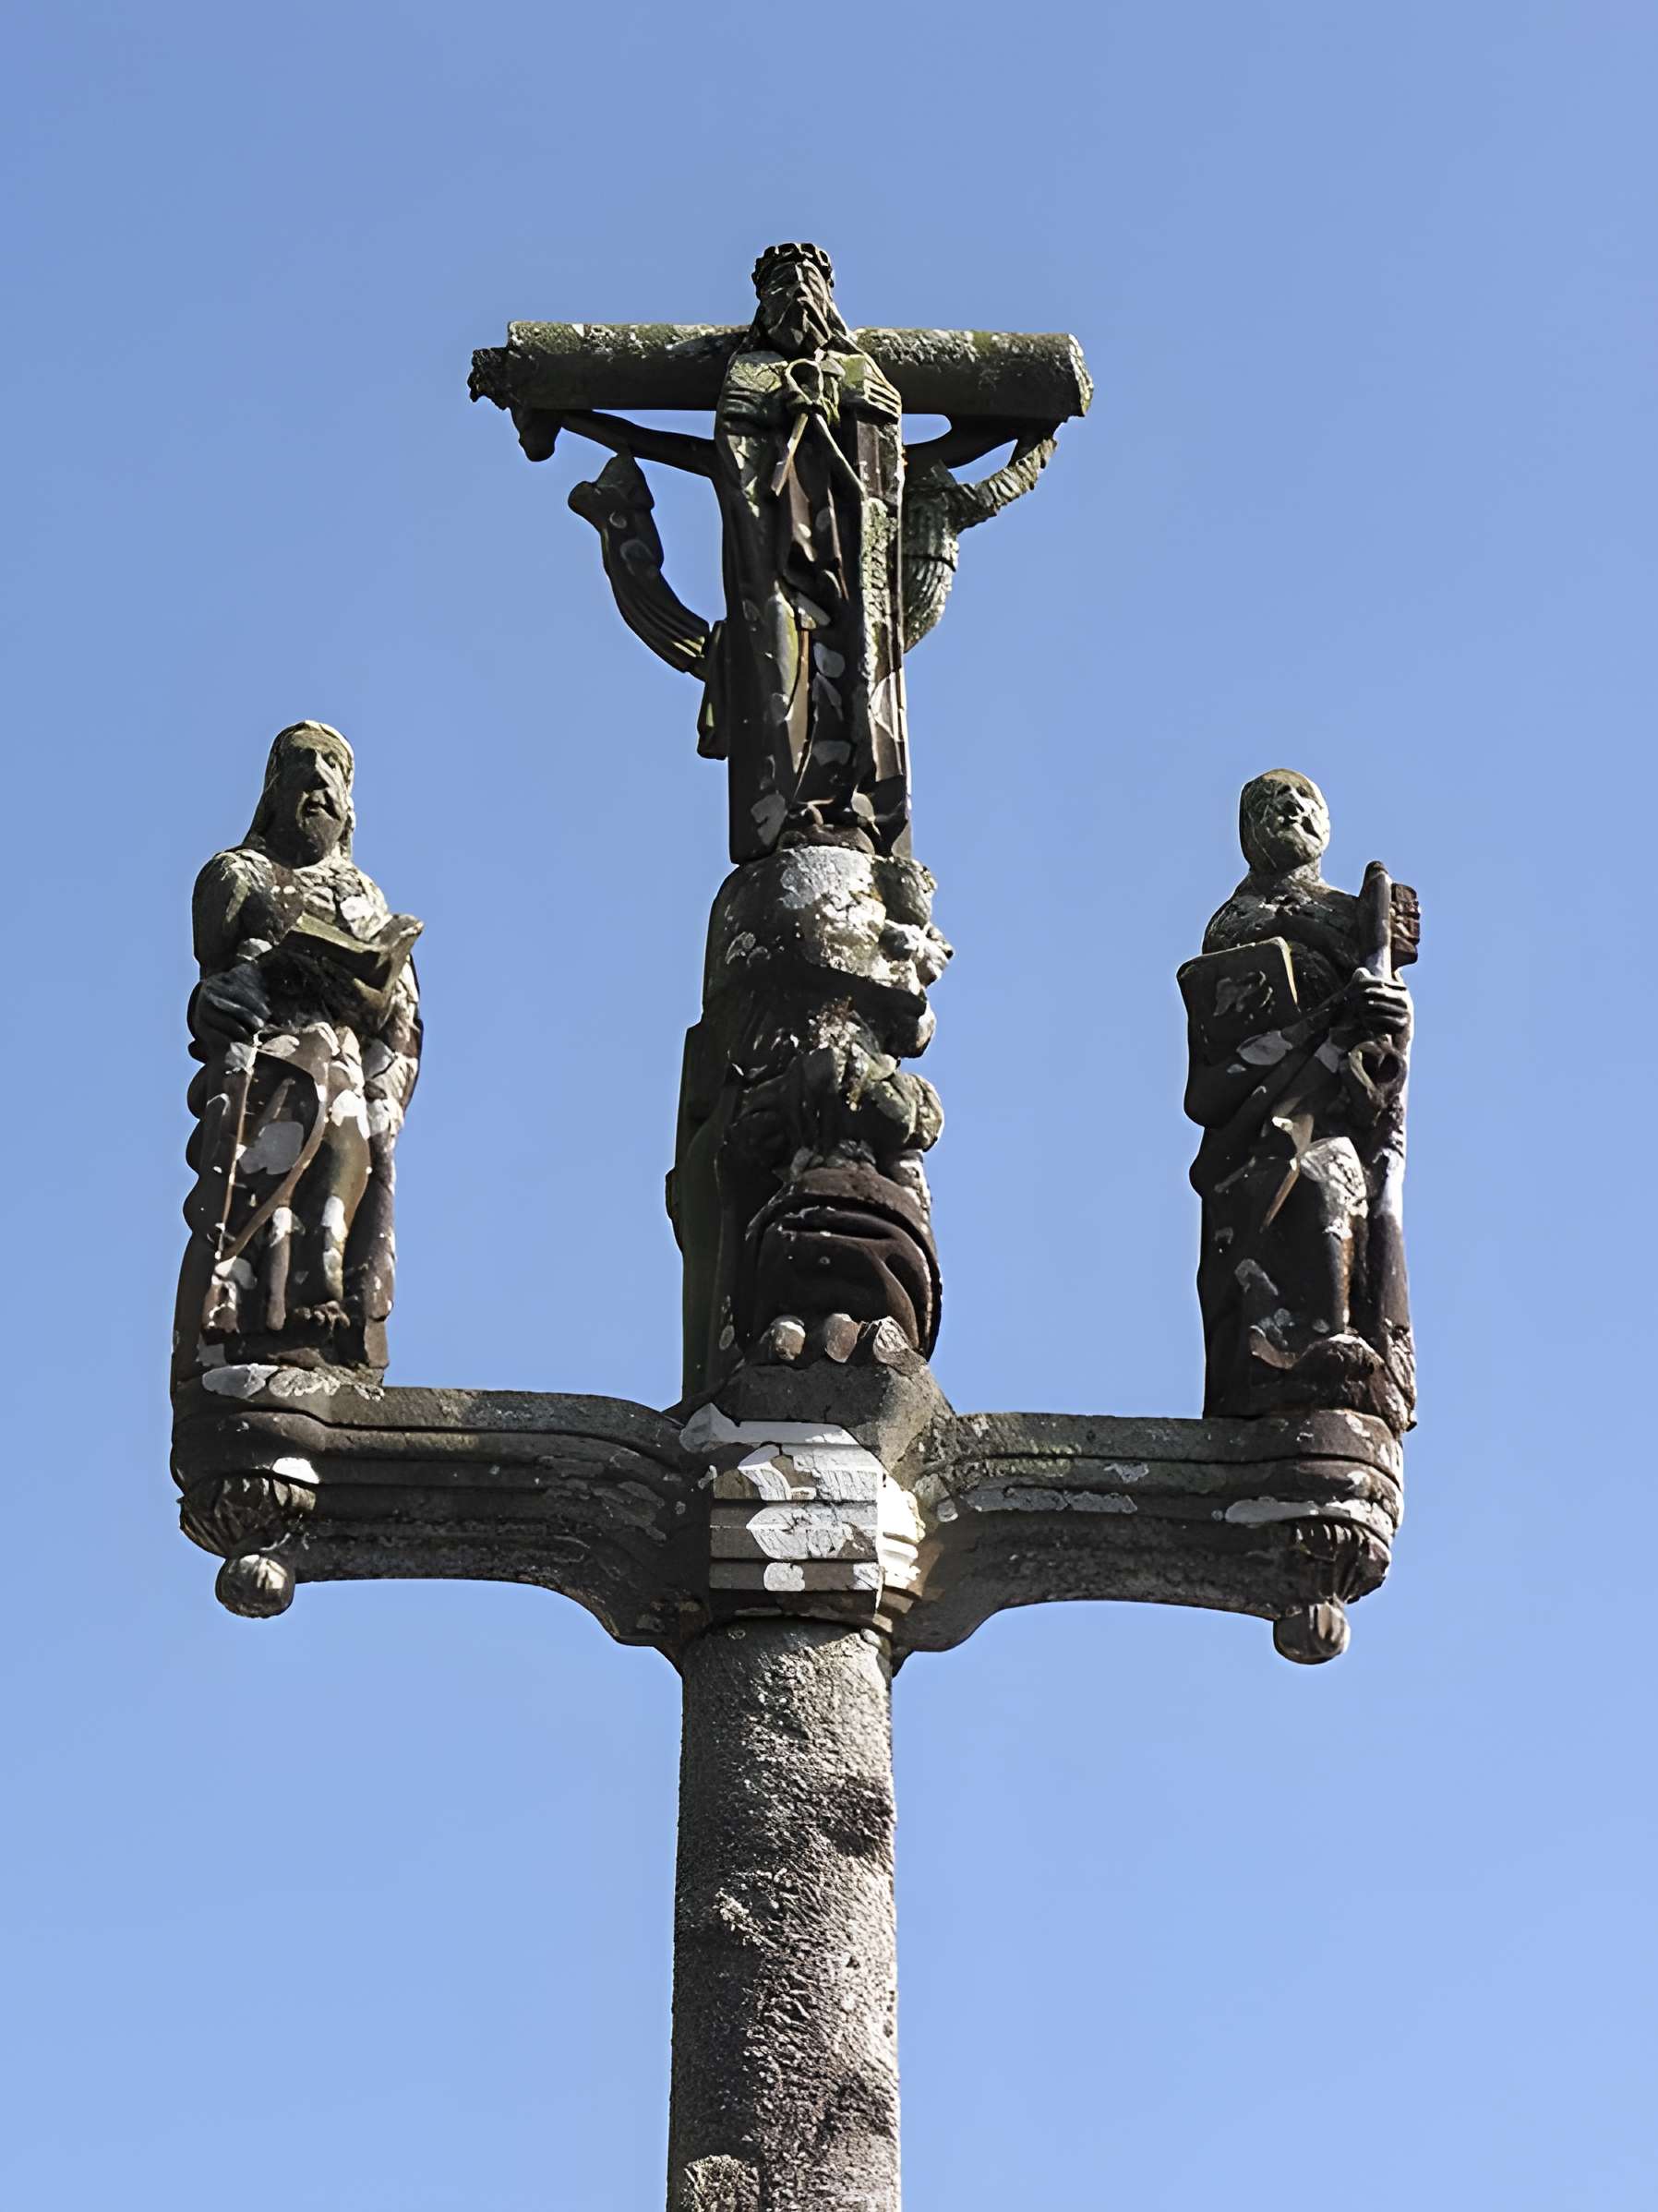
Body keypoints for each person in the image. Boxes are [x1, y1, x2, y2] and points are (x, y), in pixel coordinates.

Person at [174, 722, 421, 1380]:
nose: (319, 779)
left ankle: (324, 1301)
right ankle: (257, 1317)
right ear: (272, 790)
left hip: (346, 1065)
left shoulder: (363, 896)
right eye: (303, 766)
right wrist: (218, 1000)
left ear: (349, 806)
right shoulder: (239, 875)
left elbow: (398, 1008)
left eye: (334, 769)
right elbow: (212, 983)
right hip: (271, 1061)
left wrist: (381, 1003)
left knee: (347, 1160)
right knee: (273, 1176)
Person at [1181, 769, 1418, 1430]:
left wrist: (1388, 1008)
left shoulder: (1351, 916)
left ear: (1326, 827)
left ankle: (1330, 1339)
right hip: (1252, 1110)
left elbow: (1386, 1037)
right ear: (1247, 834)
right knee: (1258, 1220)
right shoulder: (1234, 922)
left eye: (1303, 800)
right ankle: (1270, 1354)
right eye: (1268, 803)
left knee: (1330, 1181)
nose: (1289, 809)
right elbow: (1221, 1024)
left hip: (1331, 1097)